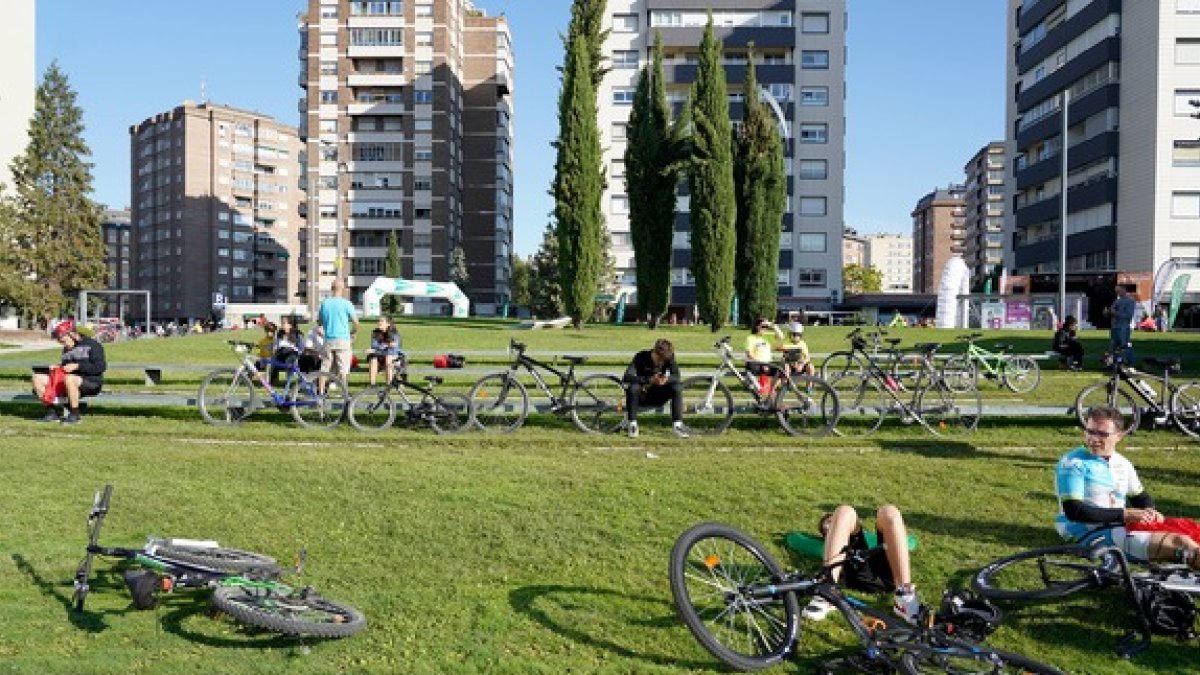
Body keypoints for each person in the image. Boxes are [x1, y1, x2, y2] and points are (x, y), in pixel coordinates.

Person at [1054, 406, 1200, 571]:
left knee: (1194, 532)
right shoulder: (1073, 463)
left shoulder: (1122, 463)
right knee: (1183, 545)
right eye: (1089, 431)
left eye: (1102, 434)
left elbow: (1140, 497)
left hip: (1120, 526)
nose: (1093, 438)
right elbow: (1074, 511)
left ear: (1119, 436)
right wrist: (1126, 514)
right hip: (1089, 533)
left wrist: (1149, 511)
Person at [802, 504, 921, 624]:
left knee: (889, 511)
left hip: (890, 575)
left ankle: (905, 595)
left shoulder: (867, 537)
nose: (831, 523)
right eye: (828, 523)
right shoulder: (836, 543)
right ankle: (826, 591)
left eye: (832, 521)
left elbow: (906, 540)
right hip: (858, 573)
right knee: (844, 511)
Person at [31, 320, 107, 424]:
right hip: (68, 381)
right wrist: (58, 367)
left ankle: (75, 414)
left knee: (70, 379)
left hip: (91, 382)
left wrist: (78, 366)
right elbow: (66, 367)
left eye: (63, 340)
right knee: (37, 378)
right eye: (60, 341)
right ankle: (51, 412)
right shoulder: (66, 350)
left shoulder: (93, 345)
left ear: (72, 334)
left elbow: (100, 367)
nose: (62, 343)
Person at [622, 338, 688, 439]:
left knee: (677, 387)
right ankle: (632, 424)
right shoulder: (641, 356)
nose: (661, 363)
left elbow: (676, 376)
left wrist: (666, 380)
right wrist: (648, 380)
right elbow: (627, 377)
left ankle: (677, 425)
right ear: (654, 352)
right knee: (633, 387)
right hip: (641, 395)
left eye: (664, 361)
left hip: (659, 394)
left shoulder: (668, 357)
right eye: (659, 359)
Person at [317, 278, 360, 382]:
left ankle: (321, 393)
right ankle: (344, 392)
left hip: (328, 339)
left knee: (325, 368)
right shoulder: (347, 303)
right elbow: (356, 323)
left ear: (332, 288)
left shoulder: (325, 303)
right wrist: (353, 333)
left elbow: (320, 322)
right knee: (343, 369)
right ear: (343, 289)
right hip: (343, 339)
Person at [744, 318, 784, 394]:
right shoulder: (750, 338)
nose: (765, 329)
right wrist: (762, 364)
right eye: (763, 327)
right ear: (757, 327)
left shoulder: (767, 337)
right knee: (750, 366)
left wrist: (772, 325)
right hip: (756, 363)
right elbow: (749, 354)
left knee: (782, 370)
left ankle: (770, 390)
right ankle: (761, 390)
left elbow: (781, 337)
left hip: (768, 363)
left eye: (766, 327)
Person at [368, 315, 403, 386]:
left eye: (381, 321)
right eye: (379, 321)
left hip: (395, 358)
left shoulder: (394, 334)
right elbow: (374, 346)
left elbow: (393, 350)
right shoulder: (375, 333)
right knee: (373, 360)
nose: (379, 323)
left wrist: (379, 348)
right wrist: (387, 345)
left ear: (388, 323)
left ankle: (388, 385)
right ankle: (372, 385)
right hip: (380, 357)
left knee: (388, 358)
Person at [1108, 285, 1136, 361]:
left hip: (1123, 327)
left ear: (1124, 290)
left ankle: (1128, 361)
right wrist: (1108, 312)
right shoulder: (1117, 301)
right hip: (1114, 327)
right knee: (1113, 346)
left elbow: (1128, 315)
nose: (1117, 293)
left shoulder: (1130, 301)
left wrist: (1115, 313)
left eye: (1118, 291)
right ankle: (1112, 362)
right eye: (1116, 291)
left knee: (1125, 345)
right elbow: (1112, 312)